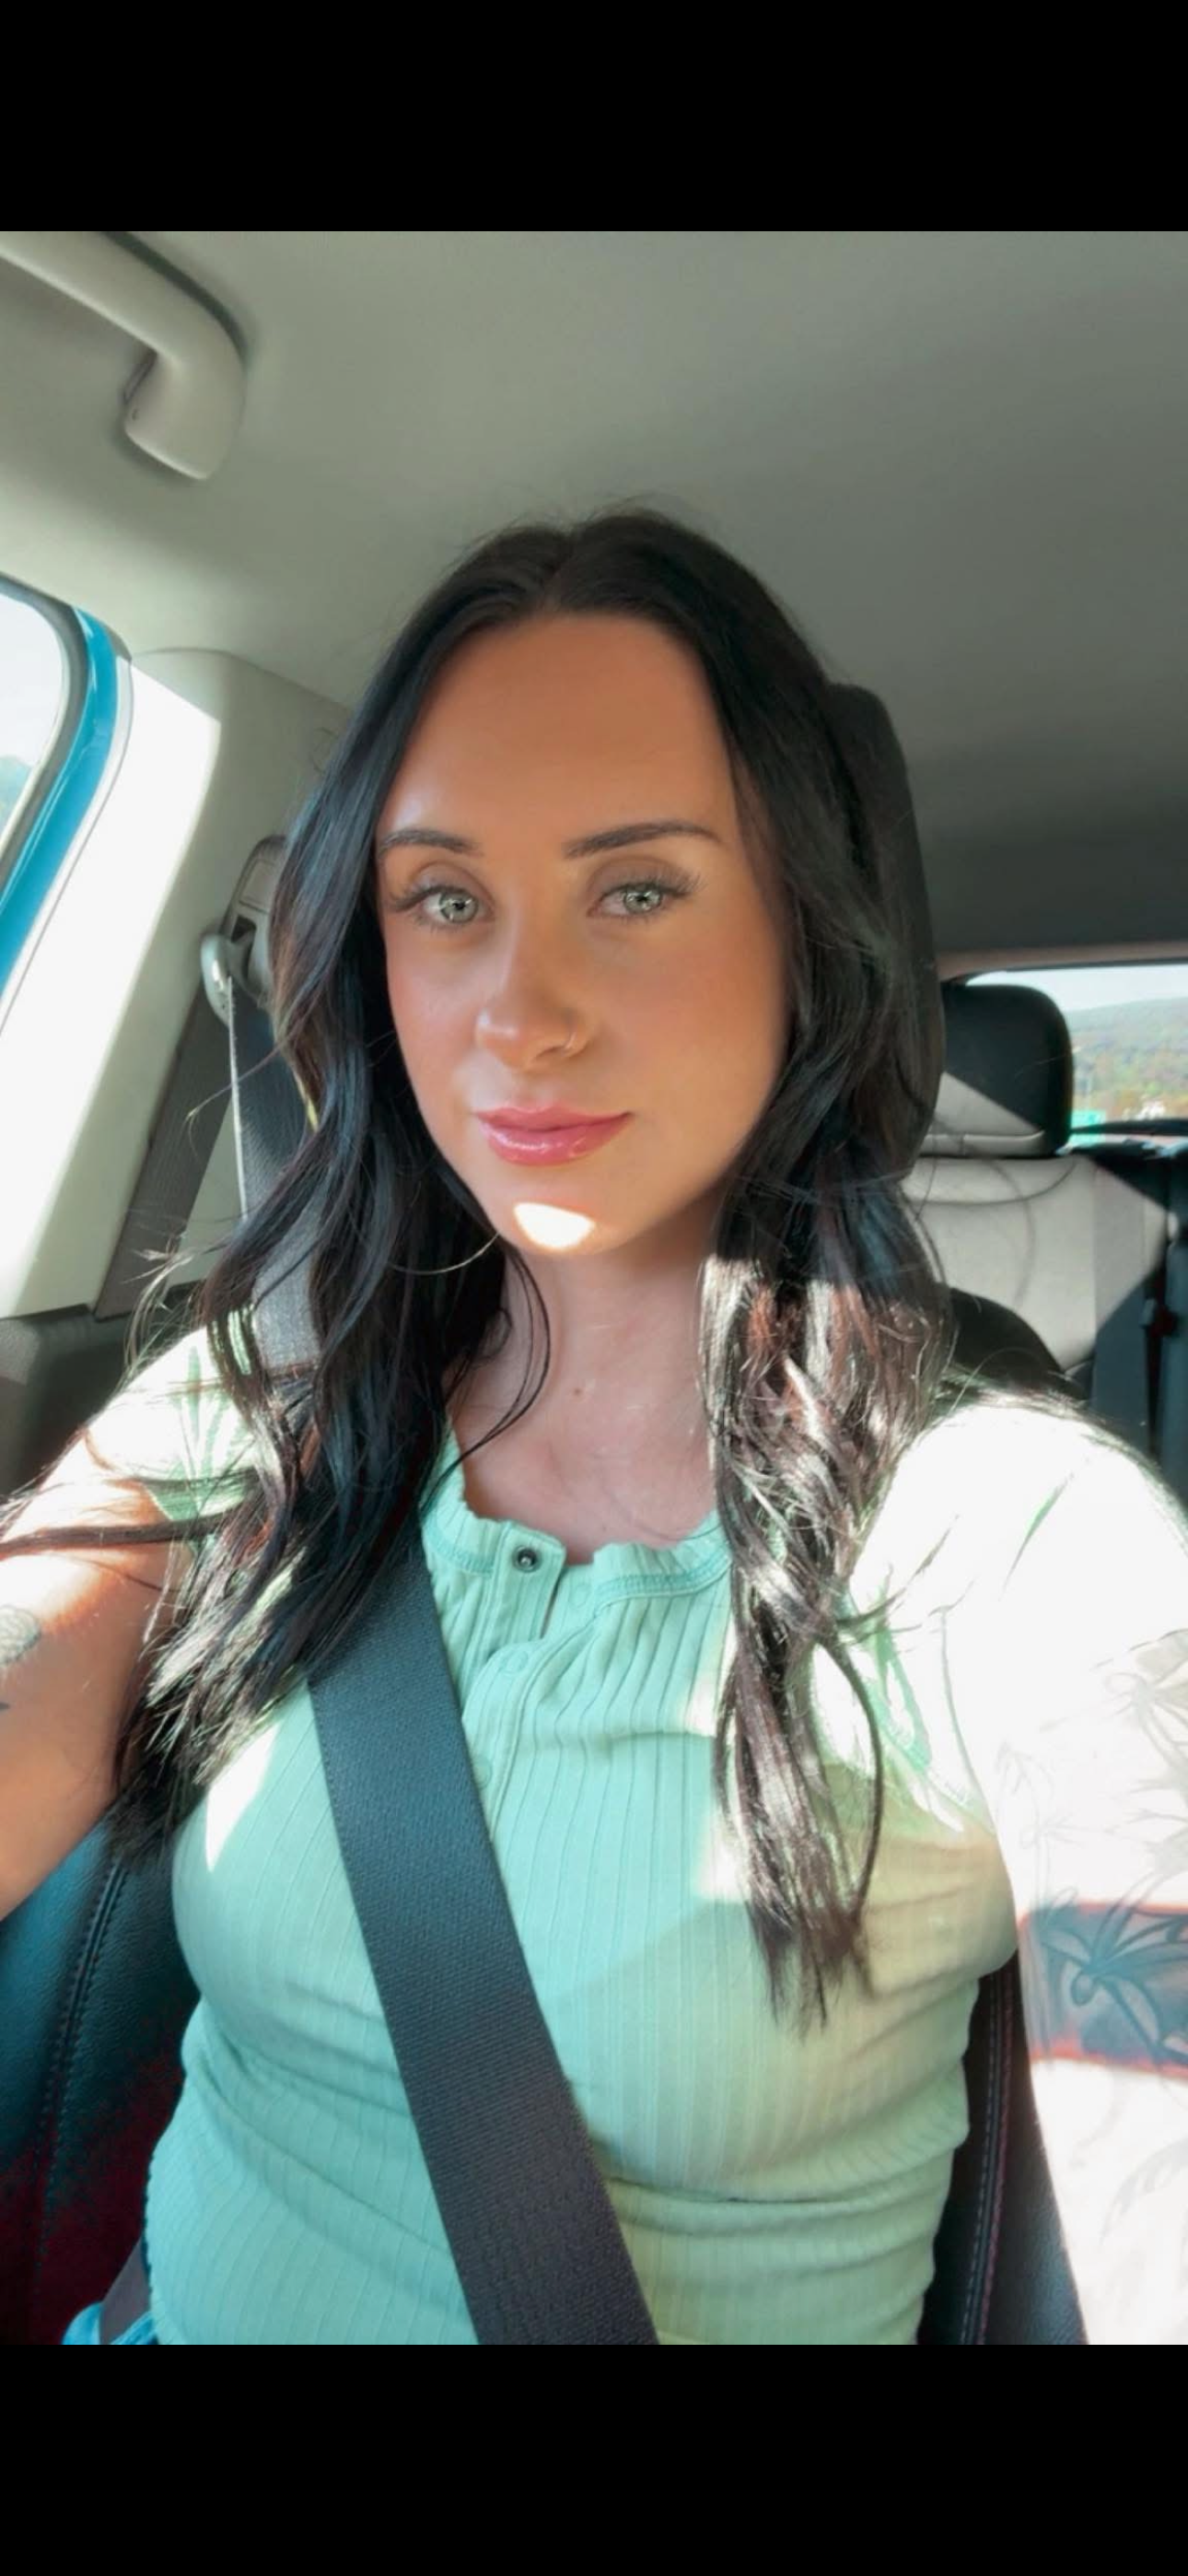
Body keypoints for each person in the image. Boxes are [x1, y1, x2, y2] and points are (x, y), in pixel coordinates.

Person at [2, 509, 1186, 2347]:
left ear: (807, 935)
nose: (520, 1014)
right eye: (443, 899)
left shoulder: (1020, 1542)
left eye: (635, 889)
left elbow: (1153, 2082)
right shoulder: (259, 1406)